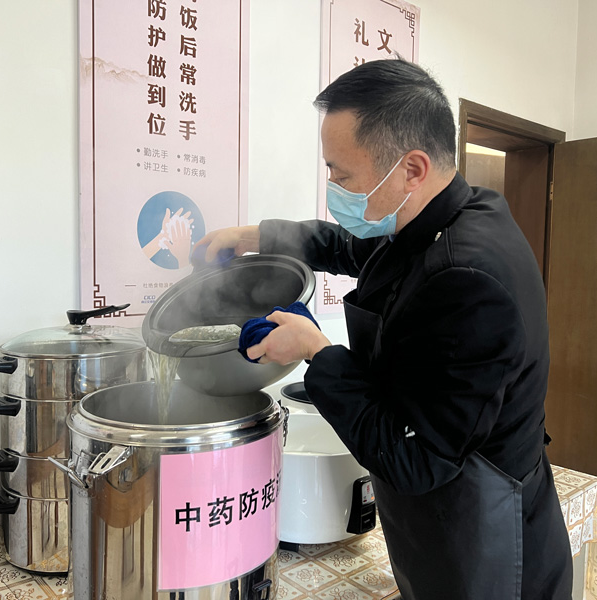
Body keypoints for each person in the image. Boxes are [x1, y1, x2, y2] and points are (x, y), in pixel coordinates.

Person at [198, 57, 572, 599]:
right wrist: (257, 235)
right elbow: (352, 247)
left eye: (341, 174)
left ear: (412, 169)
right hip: (437, 512)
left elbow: (416, 457)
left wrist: (317, 352)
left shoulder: (467, 278)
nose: (333, 185)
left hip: (480, 535)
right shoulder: (442, 214)